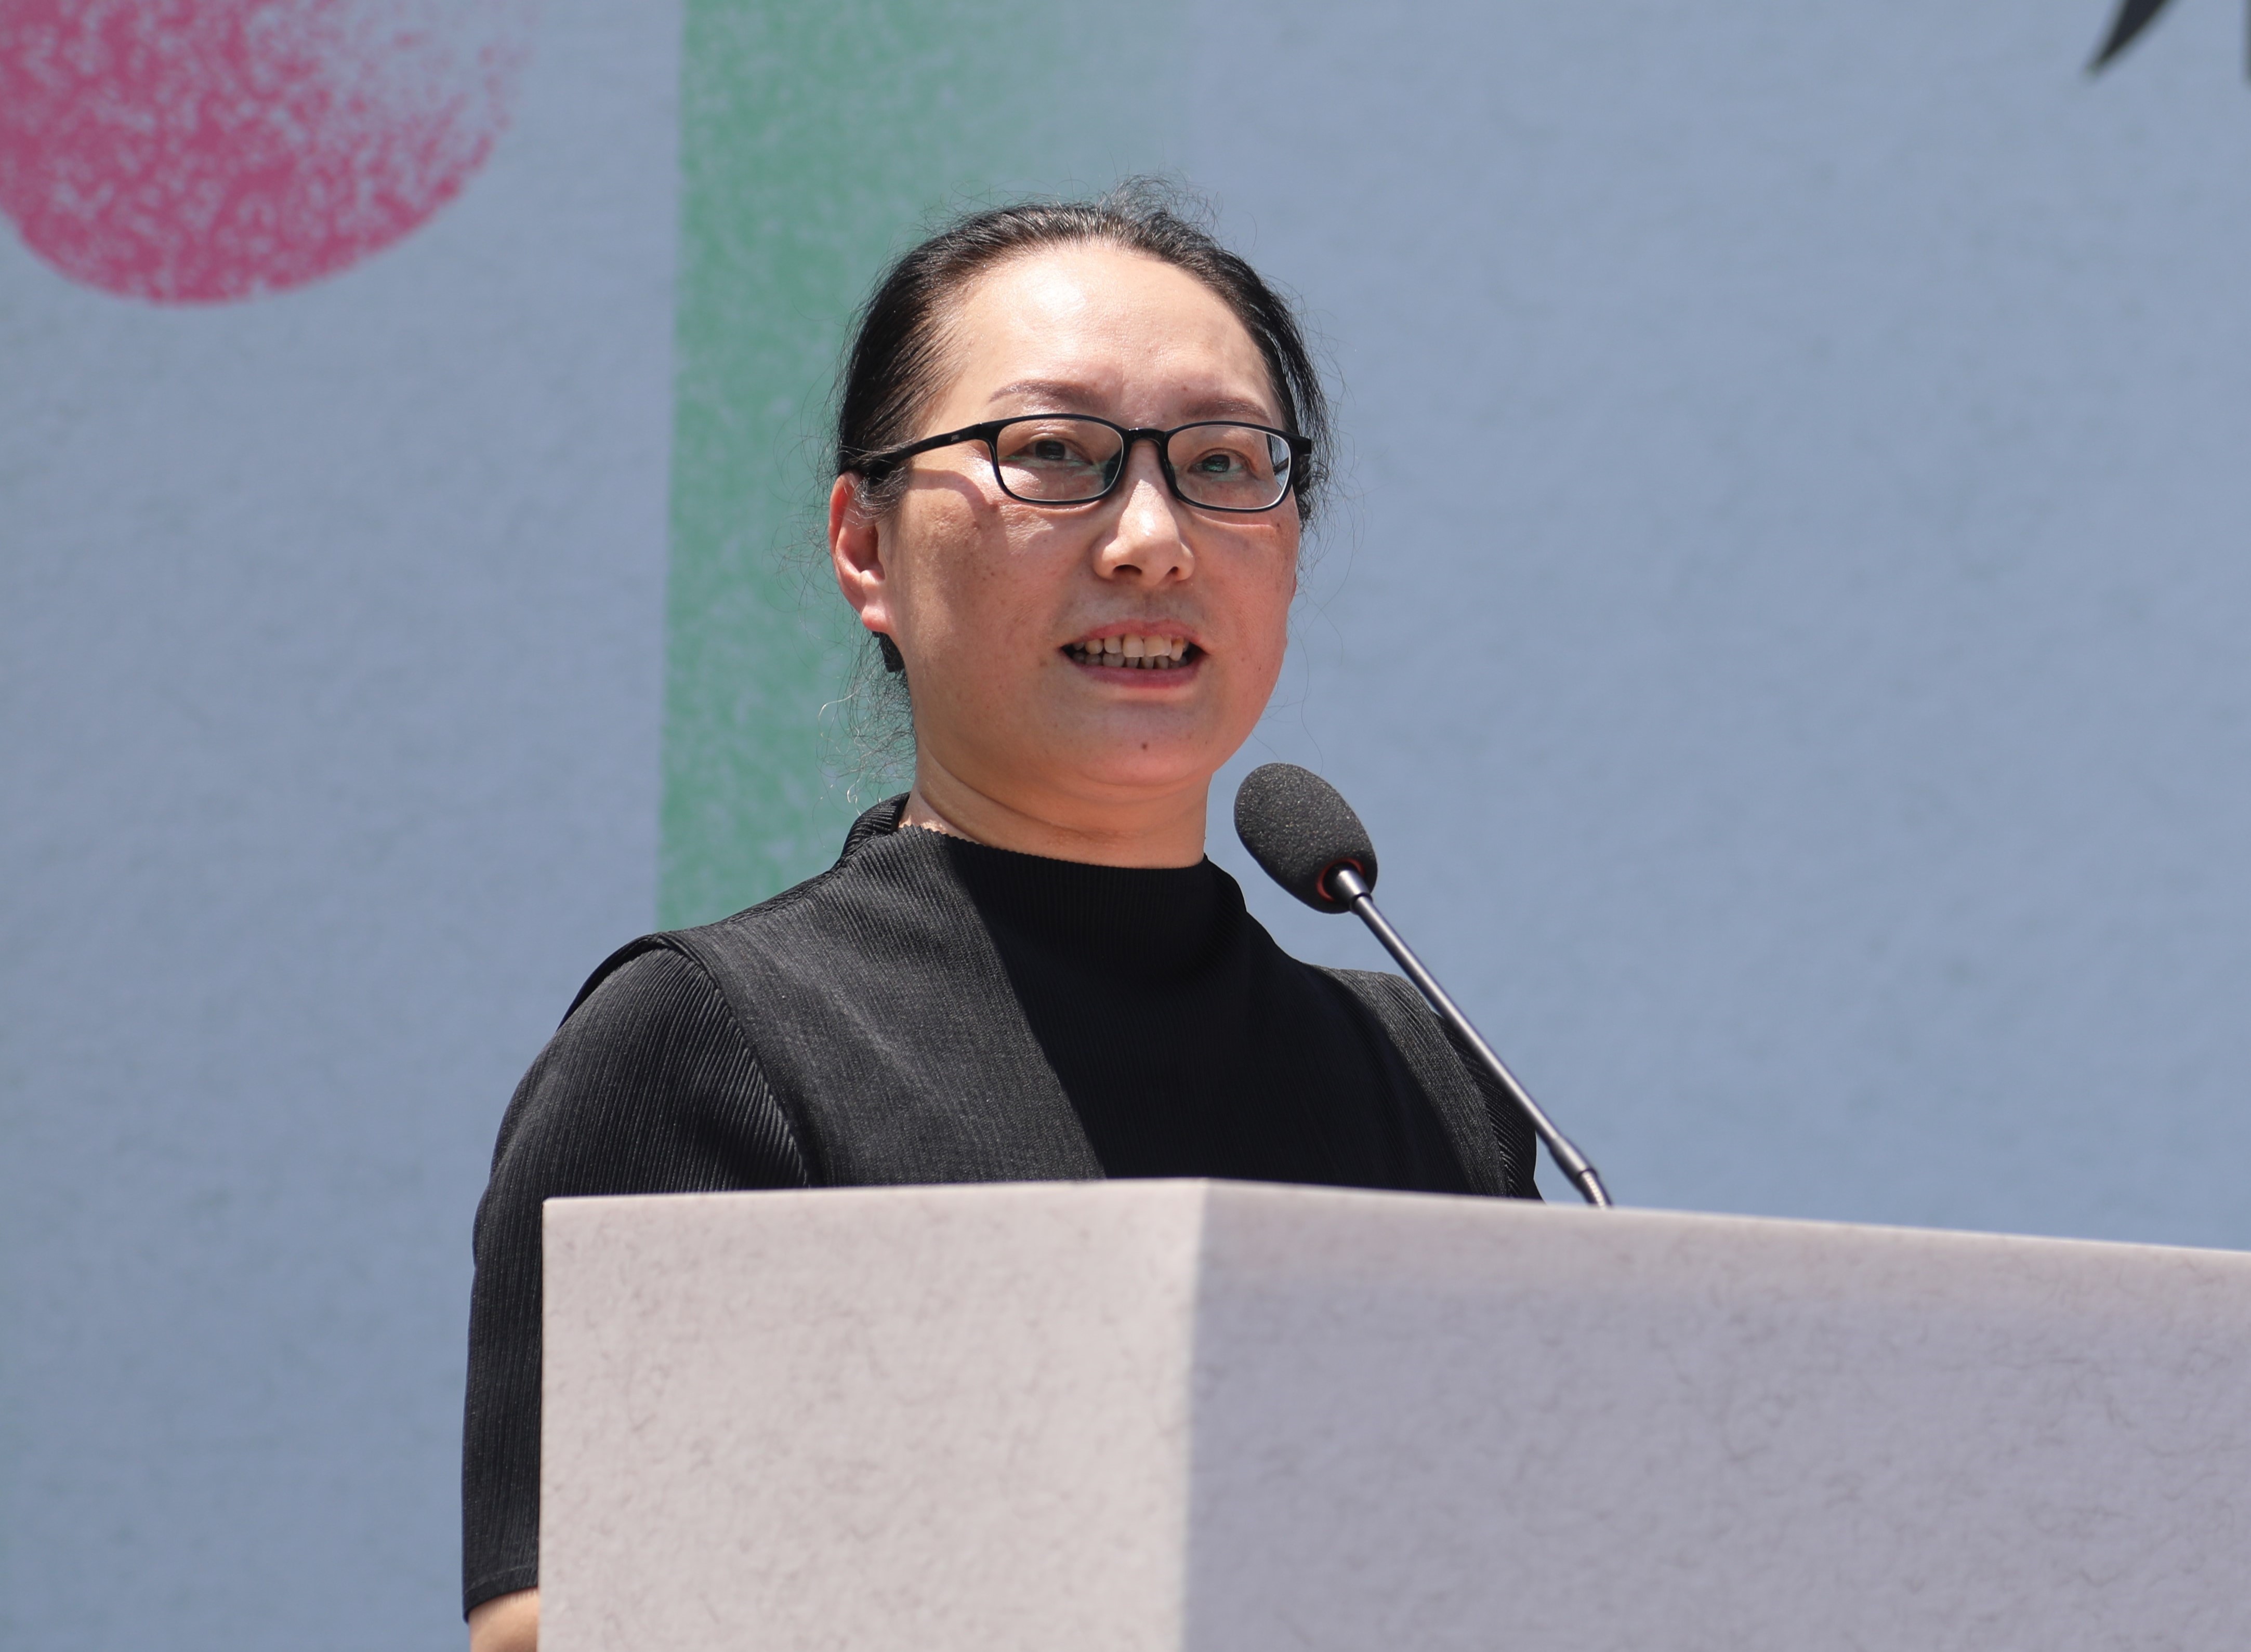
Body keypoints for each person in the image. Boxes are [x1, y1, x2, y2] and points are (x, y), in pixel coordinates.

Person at [461, 186, 1540, 1652]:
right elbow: (558, 1624)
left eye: (1225, 464)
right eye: (1053, 455)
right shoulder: (710, 1046)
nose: (1152, 538)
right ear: (866, 548)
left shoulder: (1426, 1080)